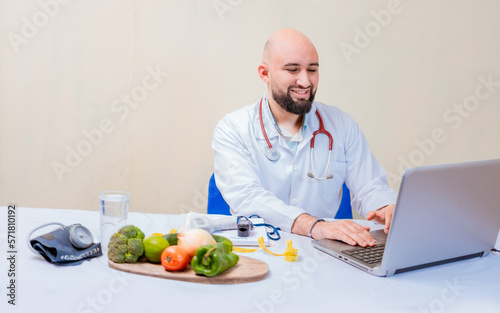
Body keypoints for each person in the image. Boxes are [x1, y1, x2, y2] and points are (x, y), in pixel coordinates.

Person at [212, 28, 397, 247]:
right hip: (262, 249)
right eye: (293, 70)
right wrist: (315, 226)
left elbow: (369, 186)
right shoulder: (233, 127)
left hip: (325, 251)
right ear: (265, 73)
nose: (305, 81)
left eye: (312, 70)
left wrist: (386, 207)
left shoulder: (341, 125)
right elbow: (248, 196)